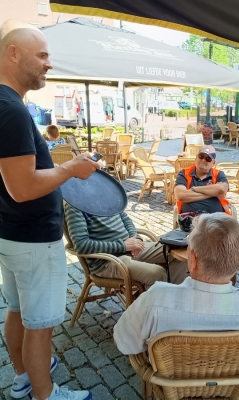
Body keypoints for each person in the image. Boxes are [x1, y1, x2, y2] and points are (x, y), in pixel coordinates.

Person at [0, 20, 101, 400]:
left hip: (13, 234)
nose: (48, 64)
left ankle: (24, 379)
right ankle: (46, 395)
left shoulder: (7, 105)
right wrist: (72, 168)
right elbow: (23, 186)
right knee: (40, 325)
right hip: (33, 241)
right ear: (14, 53)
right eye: (42, 55)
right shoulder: (10, 109)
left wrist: (63, 166)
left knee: (17, 312)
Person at [114, 213, 239, 397]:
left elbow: (124, 341)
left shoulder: (155, 301)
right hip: (231, 391)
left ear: (192, 259)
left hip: (172, 390)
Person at [64, 203, 188, 286]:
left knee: (179, 252)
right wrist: (123, 246)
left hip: (131, 248)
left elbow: (126, 219)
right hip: (107, 261)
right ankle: (149, 314)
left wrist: (135, 237)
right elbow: (81, 245)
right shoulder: (75, 206)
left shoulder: (108, 195)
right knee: (158, 273)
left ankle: (173, 300)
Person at [174, 145, 230, 214]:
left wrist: (194, 189)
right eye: (201, 156)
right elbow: (181, 195)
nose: (203, 160)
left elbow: (222, 190)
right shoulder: (184, 173)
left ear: (213, 163)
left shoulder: (219, 174)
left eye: (208, 159)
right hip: (190, 219)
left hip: (216, 219)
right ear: (196, 158)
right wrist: (213, 192)